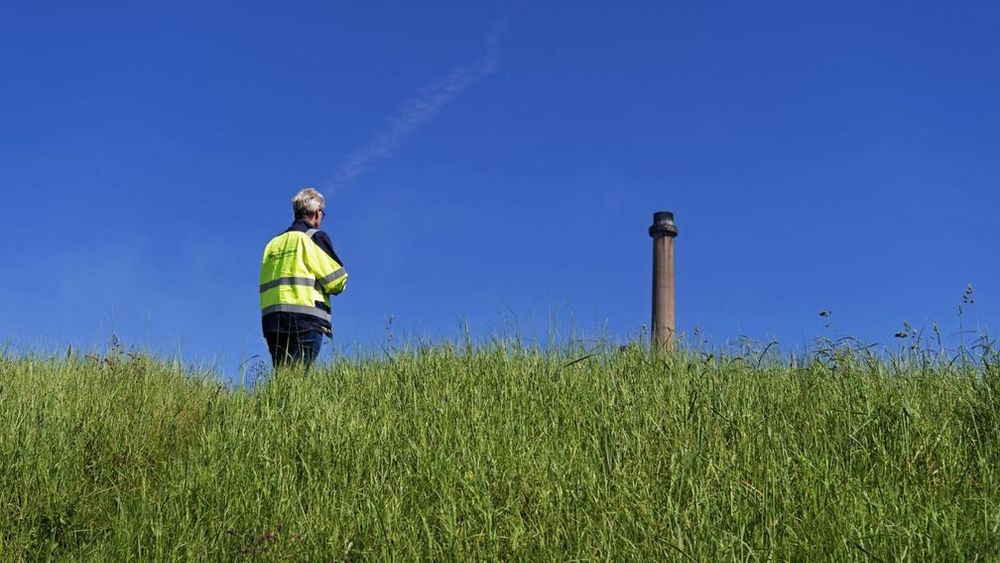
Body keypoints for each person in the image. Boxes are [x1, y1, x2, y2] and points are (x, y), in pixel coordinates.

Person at [259, 188, 348, 369]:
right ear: (316, 213)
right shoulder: (313, 237)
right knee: (299, 381)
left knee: (282, 380)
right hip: (305, 318)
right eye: (322, 213)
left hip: (272, 320)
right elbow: (336, 281)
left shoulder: (273, 243)